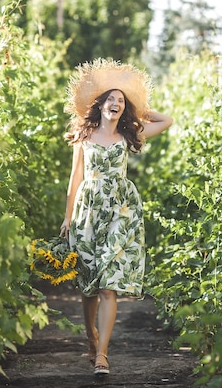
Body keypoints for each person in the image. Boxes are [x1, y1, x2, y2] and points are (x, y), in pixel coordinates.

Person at [59, 58, 173, 376]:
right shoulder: (85, 135)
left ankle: (103, 355)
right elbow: (74, 179)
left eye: (121, 100)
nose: (115, 103)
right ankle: (91, 337)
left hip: (120, 211)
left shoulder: (127, 135)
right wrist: (68, 219)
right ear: (100, 105)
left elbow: (168, 120)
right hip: (89, 210)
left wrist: (138, 110)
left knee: (109, 286)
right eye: (111, 98)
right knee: (89, 286)